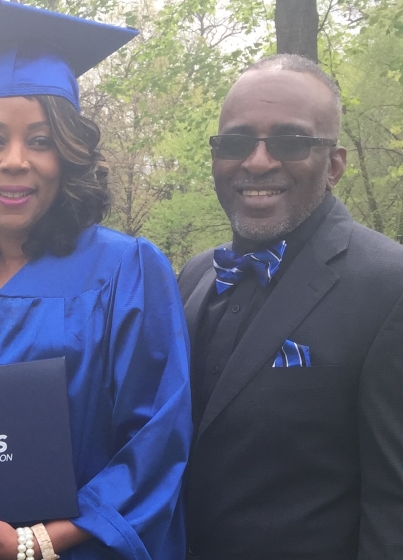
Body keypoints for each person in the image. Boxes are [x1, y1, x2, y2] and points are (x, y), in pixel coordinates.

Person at [0, 3, 193, 560]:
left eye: (40, 140)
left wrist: (31, 545)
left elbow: (155, 443)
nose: (14, 161)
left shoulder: (127, 271)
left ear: (69, 153)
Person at [178, 54, 403, 559]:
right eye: (236, 142)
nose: (257, 161)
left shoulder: (390, 288)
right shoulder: (195, 277)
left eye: (290, 141)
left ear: (335, 165)